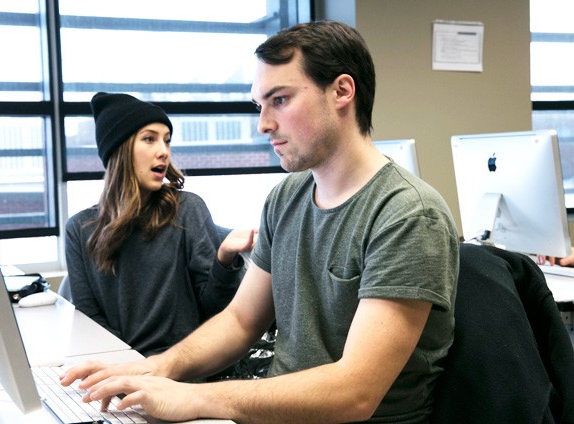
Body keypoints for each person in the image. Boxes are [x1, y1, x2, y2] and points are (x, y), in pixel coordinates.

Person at [60, 21, 459, 423]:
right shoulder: (285, 198)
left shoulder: (408, 215)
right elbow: (239, 321)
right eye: (259, 105)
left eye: (280, 100)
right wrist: (159, 368)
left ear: (342, 91)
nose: (263, 124)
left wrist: (196, 399)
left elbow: (354, 392)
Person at [65, 92, 256, 357]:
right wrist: (127, 369)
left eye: (167, 141)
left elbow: (215, 312)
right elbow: (90, 321)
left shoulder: (188, 209)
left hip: (184, 370)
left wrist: (224, 259)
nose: (164, 151)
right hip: (120, 369)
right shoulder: (79, 229)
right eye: (149, 139)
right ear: (119, 150)